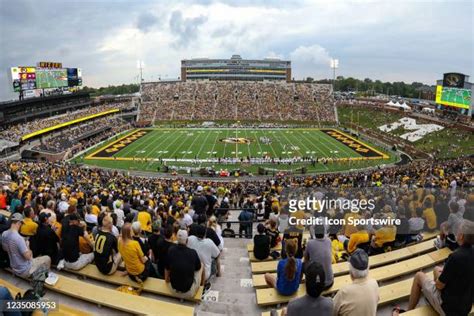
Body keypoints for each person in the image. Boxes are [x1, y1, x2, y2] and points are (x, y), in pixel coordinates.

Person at [406, 219, 474, 316]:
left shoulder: (455, 257)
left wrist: (439, 280)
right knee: (437, 269)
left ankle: (407, 312)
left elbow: (439, 285)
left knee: (419, 276)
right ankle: (433, 299)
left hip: (450, 309)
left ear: (461, 236)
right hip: (466, 305)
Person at [1, 213, 51, 278]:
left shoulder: (4, 233)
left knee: (32, 255)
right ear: (19, 223)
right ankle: (42, 278)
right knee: (47, 258)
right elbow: (28, 257)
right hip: (24, 270)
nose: (21, 225)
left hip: (13, 266)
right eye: (21, 223)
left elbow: (5, 248)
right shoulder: (19, 238)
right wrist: (27, 245)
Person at [333, 249, 379, 316]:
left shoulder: (344, 292)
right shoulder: (374, 283)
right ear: (368, 268)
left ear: (351, 272)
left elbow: (332, 312)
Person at [165, 229, 202, 299]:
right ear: (187, 240)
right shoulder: (193, 252)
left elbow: (167, 268)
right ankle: (202, 287)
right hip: (189, 293)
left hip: (172, 290)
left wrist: (166, 280)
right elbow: (198, 268)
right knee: (201, 266)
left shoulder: (170, 250)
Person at [304, 224, 334, 289]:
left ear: (314, 232)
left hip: (317, 285)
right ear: (324, 232)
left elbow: (306, 259)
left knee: (304, 264)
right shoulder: (329, 240)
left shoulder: (310, 243)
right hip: (330, 282)